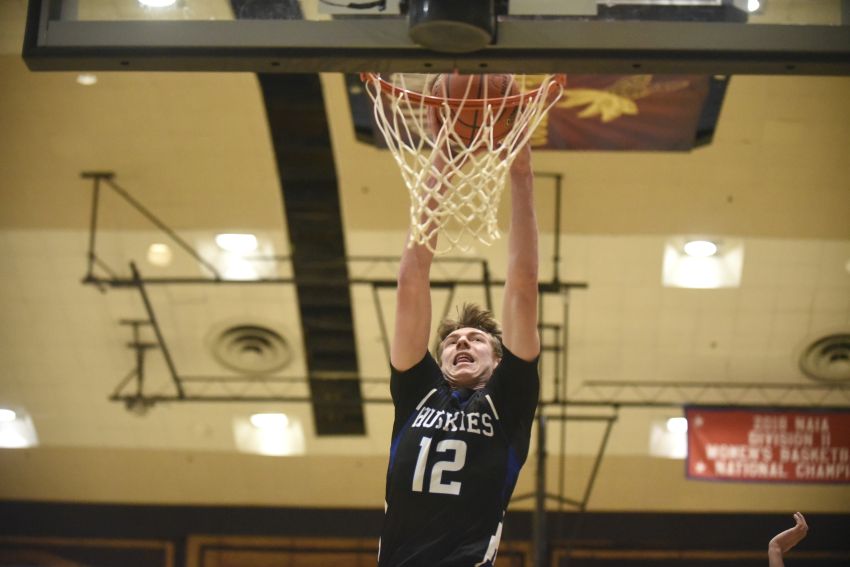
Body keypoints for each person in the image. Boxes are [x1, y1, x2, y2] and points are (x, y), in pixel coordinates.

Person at [377, 140, 541, 566]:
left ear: (500, 359)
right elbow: (411, 280)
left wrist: (521, 174)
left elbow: (522, 289)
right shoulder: (419, 391)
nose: (462, 343)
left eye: (476, 339)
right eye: (451, 341)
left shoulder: (509, 401)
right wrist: (442, 160)